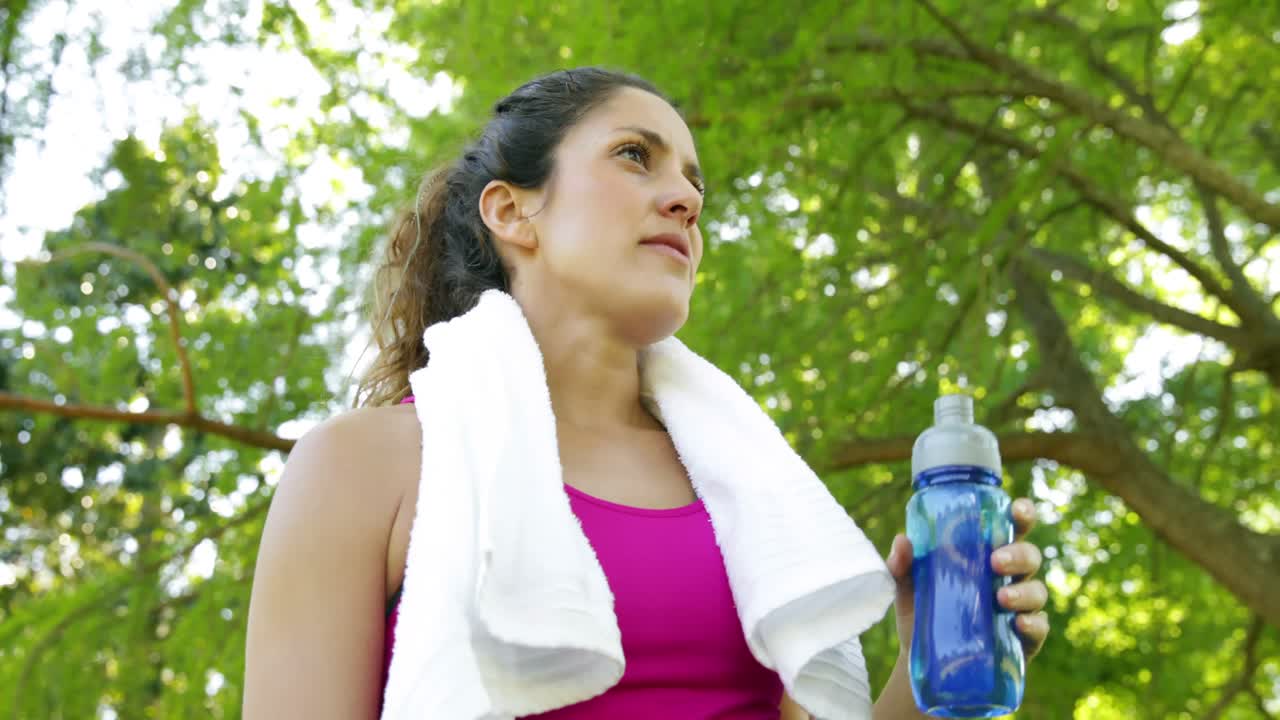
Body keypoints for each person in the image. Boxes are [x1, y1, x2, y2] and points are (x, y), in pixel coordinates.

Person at [242, 66, 1050, 720]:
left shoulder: (746, 483)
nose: (687, 199)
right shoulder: (361, 467)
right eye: (636, 155)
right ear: (513, 211)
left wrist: (923, 665)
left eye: (694, 183)